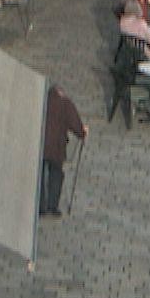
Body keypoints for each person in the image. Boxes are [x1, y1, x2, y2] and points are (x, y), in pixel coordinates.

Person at [40, 84, 87, 217]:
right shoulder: (65, 103)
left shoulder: (42, 101)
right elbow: (75, 124)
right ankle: (52, 206)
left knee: (41, 174)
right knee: (56, 174)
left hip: (41, 144)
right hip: (57, 147)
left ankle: (40, 206)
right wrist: (83, 133)